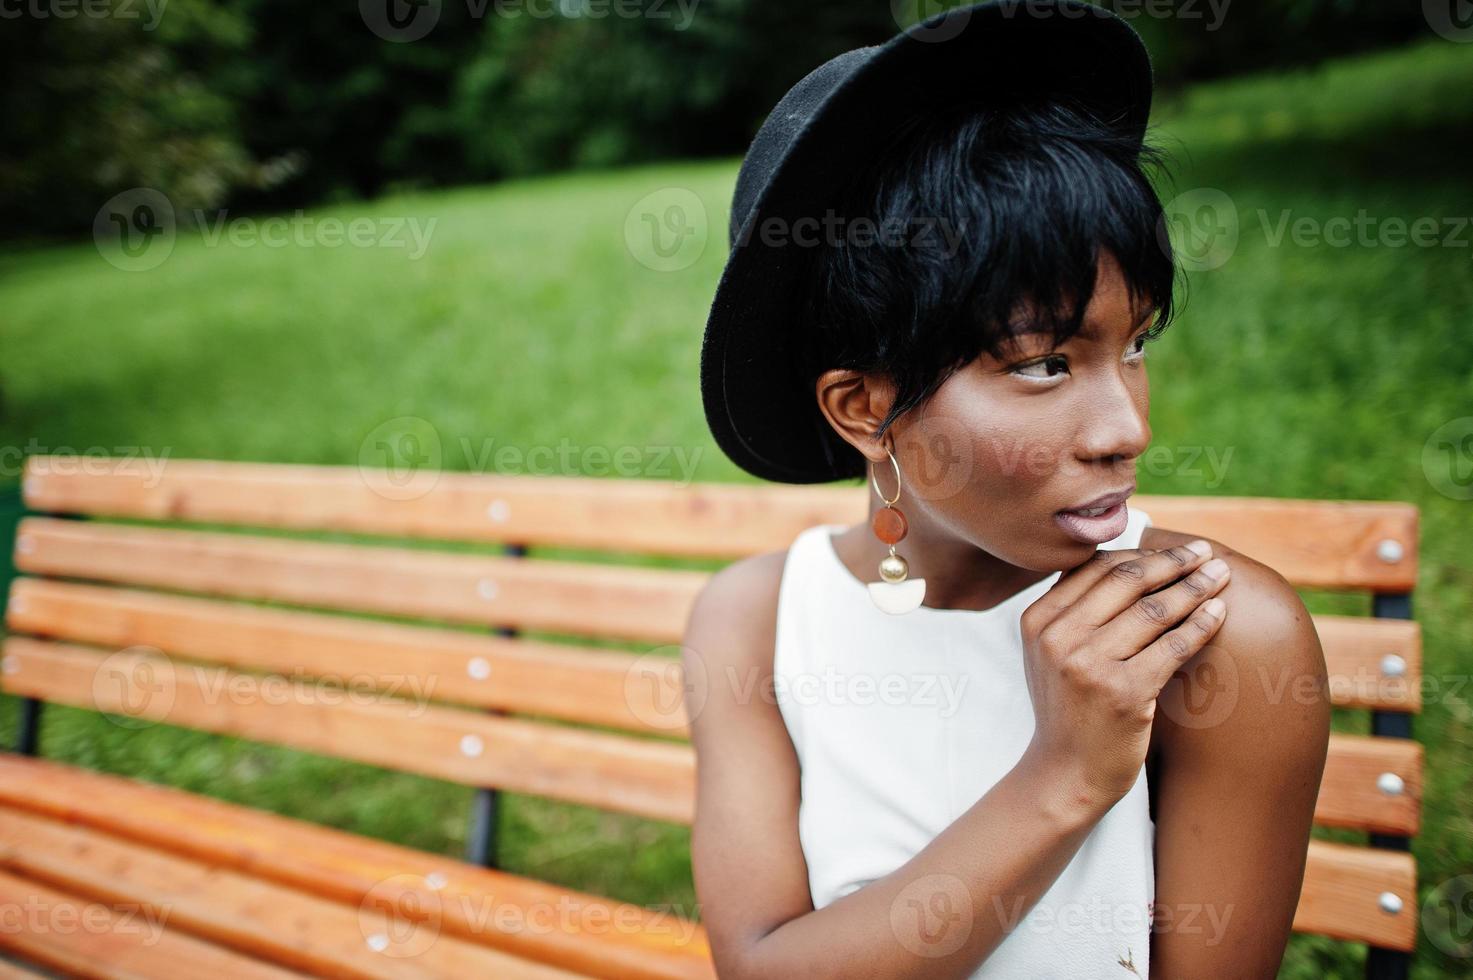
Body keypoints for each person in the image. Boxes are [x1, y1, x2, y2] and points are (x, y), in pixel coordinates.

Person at [684, 2, 1331, 977]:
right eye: (1041, 364)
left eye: (1137, 342)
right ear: (863, 408)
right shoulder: (754, 623)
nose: (1129, 430)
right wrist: (1065, 775)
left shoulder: (1217, 639)